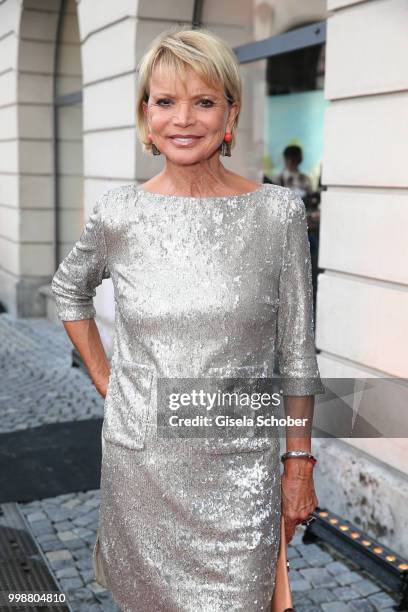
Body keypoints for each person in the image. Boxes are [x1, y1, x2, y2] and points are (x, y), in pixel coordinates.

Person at [51, 27, 325, 612]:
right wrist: (109, 381)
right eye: (165, 101)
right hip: (141, 467)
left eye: (203, 101)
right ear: (145, 115)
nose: (184, 119)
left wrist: (298, 461)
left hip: (240, 474)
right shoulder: (120, 213)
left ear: (231, 112)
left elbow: (298, 353)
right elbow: (68, 291)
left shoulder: (277, 214)